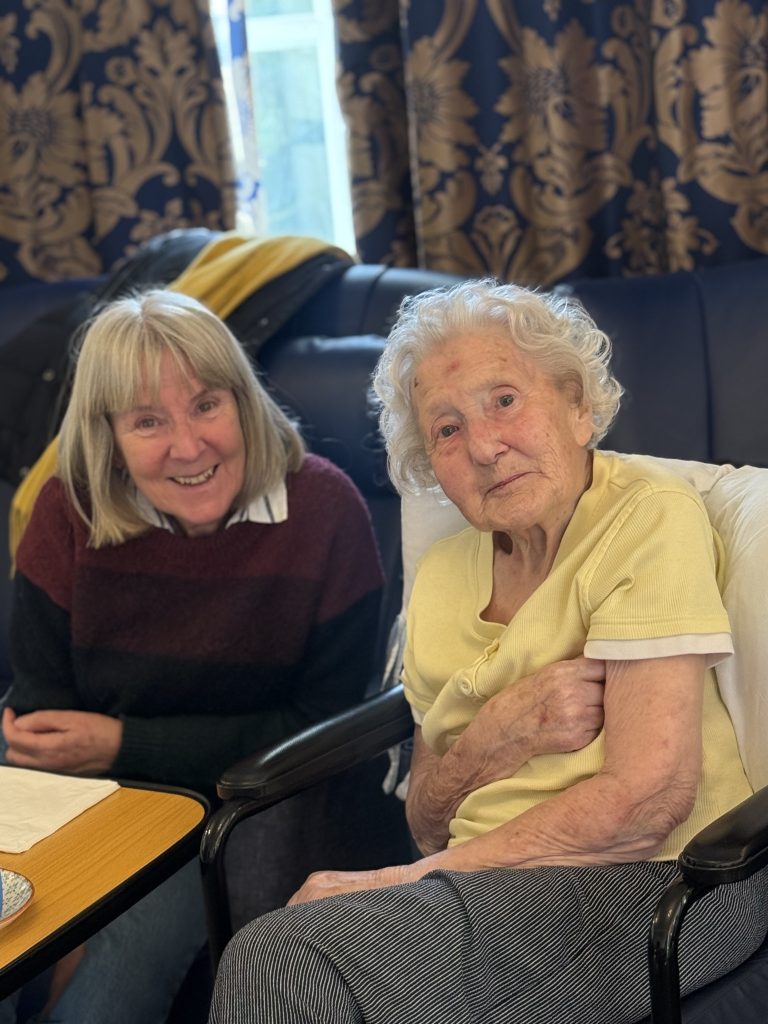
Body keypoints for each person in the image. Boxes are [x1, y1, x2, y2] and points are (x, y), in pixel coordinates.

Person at [208, 278, 768, 1024]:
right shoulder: (442, 575)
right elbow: (428, 816)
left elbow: (646, 800)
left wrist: (409, 881)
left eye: (505, 400)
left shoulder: (645, 520)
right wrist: (500, 733)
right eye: (445, 428)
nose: (482, 445)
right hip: (483, 884)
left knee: (282, 957)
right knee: (290, 961)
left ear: (577, 407)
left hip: (661, 882)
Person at [0, 290, 384, 1024]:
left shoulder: (327, 512)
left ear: (243, 401)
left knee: (112, 980)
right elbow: (46, 710)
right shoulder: (66, 508)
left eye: (206, 405)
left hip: (219, 805)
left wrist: (127, 742)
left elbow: (324, 732)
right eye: (148, 421)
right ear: (109, 436)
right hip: (76, 785)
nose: (187, 445)